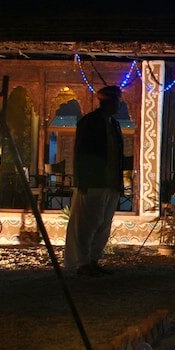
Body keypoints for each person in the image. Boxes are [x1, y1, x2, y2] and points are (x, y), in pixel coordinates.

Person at [64, 85, 124, 276]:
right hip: (94, 181)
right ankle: (82, 263)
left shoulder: (114, 124)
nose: (119, 105)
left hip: (110, 182)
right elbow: (81, 152)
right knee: (88, 223)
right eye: (117, 101)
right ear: (109, 102)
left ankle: (93, 259)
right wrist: (82, 179)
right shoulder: (89, 122)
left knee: (103, 223)